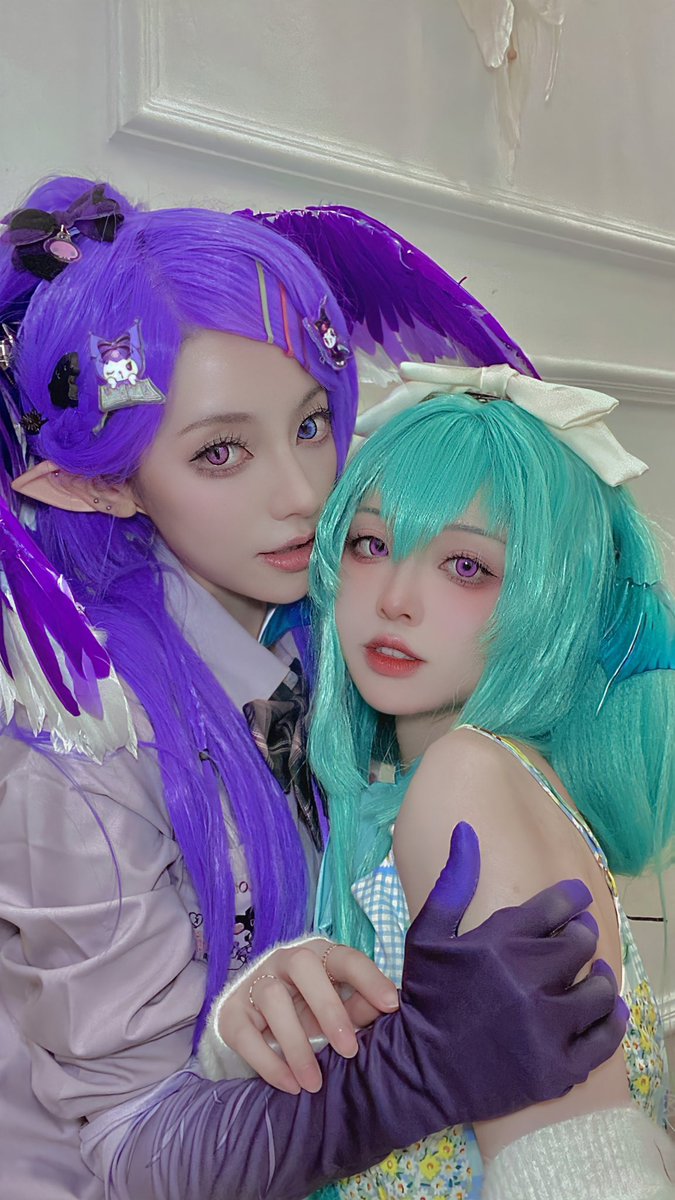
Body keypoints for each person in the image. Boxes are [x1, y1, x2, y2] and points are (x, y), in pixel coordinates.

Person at [0, 178, 625, 1200]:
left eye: (308, 425)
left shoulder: (349, 626)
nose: (302, 494)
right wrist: (401, 1077)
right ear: (102, 484)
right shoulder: (78, 745)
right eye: (220, 452)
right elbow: (130, 1145)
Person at [302, 364, 675, 1199]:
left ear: (551, 603)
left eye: (466, 566)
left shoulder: (464, 776)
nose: (395, 598)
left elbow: (579, 1175)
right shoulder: (486, 777)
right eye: (371, 544)